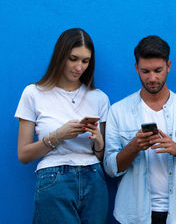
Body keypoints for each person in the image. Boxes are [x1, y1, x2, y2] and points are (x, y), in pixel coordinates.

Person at [104, 35, 176, 224]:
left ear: (169, 66)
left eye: (158, 70)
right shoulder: (118, 111)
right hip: (133, 215)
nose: (152, 78)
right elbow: (110, 167)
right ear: (136, 69)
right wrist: (134, 147)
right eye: (145, 71)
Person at [15, 28, 109, 224]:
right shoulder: (33, 93)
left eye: (85, 61)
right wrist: (59, 135)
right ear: (60, 56)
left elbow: (101, 156)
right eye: (73, 58)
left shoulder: (99, 98)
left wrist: (99, 141)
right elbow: (23, 154)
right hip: (54, 178)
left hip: (94, 177)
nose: (79, 67)